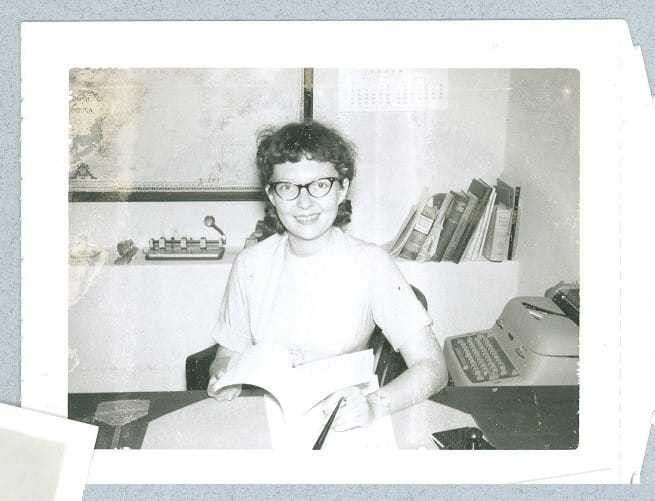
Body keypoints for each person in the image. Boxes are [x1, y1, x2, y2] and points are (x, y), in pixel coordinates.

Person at [207, 121, 448, 431]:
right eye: (287, 187)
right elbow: (228, 352)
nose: (304, 202)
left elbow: (433, 367)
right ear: (272, 195)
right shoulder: (250, 264)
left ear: (342, 189)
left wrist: (375, 405)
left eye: (320, 185)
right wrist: (224, 378)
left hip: (346, 422)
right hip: (269, 420)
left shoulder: (371, 263)